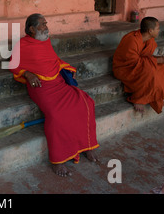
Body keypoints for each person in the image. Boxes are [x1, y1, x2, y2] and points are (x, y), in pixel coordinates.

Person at [9, 14, 99, 177]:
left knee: (85, 102)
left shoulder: (45, 41)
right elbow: (11, 64)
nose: (46, 27)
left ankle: (87, 146)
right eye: (43, 24)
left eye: (46, 23)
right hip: (40, 86)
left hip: (57, 83)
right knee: (57, 115)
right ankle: (58, 160)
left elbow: (53, 60)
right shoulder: (22, 44)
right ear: (32, 28)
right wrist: (28, 74)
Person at [112, 17, 164, 114]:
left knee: (163, 66)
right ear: (150, 30)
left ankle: (155, 96)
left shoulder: (150, 40)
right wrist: (161, 59)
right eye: (158, 28)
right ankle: (138, 98)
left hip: (139, 65)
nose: (159, 30)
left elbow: (147, 57)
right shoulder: (131, 39)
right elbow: (135, 63)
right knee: (149, 69)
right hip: (124, 69)